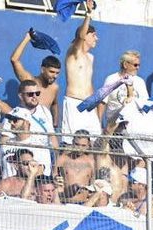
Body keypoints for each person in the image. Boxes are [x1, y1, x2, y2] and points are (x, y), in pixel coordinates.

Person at [61, 3, 100, 138]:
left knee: (95, 143)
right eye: (94, 35)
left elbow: (88, 84)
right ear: (86, 36)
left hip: (89, 106)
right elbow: (80, 36)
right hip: (74, 103)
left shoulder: (91, 57)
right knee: (71, 145)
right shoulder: (73, 52)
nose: (97, 38)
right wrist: (88, 13)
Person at [9, 32, 61, 127]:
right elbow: (14, 60)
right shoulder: (30, 81)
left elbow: (54, 104)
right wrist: (27, 38)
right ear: (42, 69)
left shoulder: (55, 87)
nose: (55, 76)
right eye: (52, 72)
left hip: (45, 129)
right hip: (28, 126)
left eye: (57, 73)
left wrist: (55, 122)